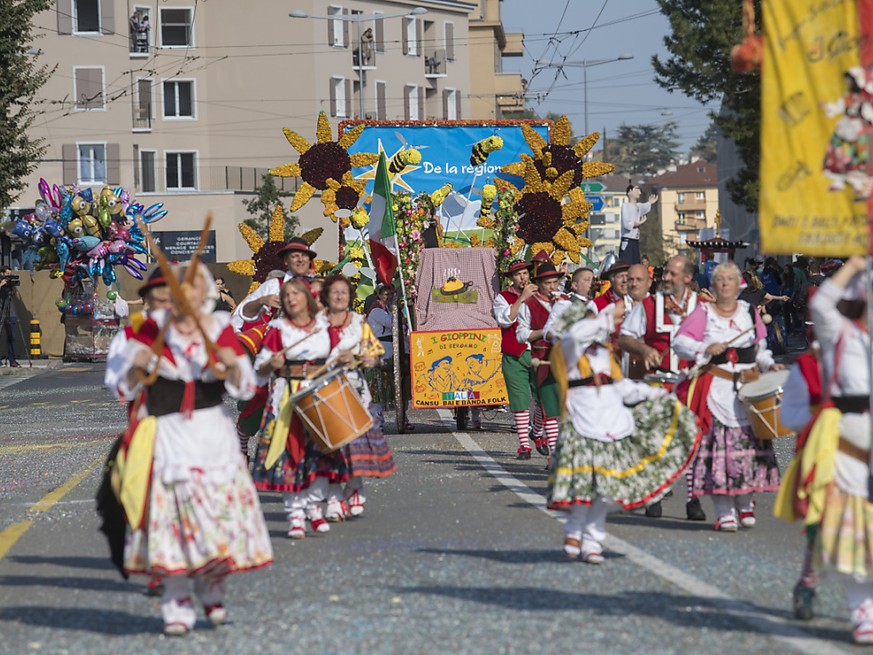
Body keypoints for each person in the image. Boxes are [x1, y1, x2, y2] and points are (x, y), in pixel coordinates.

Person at [105, 263, 272, 636]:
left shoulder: (217, 329)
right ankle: (176, 600)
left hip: (212, 435)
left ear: (203, 296)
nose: (181, 298)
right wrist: (138, 368)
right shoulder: (143, 332)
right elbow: (122, 387)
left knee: (214, 514)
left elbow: (245, 387)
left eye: (190, 291)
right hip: (167, 435)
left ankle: (212, 588)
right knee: (172, 516)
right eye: (173, 292)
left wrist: (231, 366)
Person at [546, 303, 699, 564]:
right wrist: (605, 318)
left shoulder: (604, 354)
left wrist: (656, 393)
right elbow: (574, 336)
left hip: (611, 422)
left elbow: (621, 387)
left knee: (604, 489)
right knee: (584, 485)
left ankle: (593, 541)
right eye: (589, 323)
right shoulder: (567, 351)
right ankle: (574, 529)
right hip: (583, 424)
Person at [783, 255, 873, 643]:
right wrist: (854, 265)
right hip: (849, 439)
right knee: (854, 531)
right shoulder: (840, 333)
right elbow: (820, 304)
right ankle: (862, 611)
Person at [672, 262, 782, 532]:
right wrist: (704, 346)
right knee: (719, 455)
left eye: (729, 280)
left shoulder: (748, 312)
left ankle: (745, 504)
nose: (724, 284)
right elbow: (680, 342)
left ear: (738, 285)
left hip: (747, 391)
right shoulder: (703, 312)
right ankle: (723, 512)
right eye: (719, 280)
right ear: (714, 285)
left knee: (747, 453)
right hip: (716, 391)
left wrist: (770, 366)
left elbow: (760, 348)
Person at [619, 255, 706, 521]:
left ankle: (694, 499)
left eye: (672, 274)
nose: (665, 278)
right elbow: (625, 337)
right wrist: (644, 348)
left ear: (688, 278)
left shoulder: (703, 307)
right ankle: (655, 496)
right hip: (658, 382)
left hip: (691, 382)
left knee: (693, 441)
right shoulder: (648, 305)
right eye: (665, 273)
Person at [250, 278, 335, 538]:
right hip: (288, 396)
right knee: (292, 454)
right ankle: (296, 514)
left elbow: (335, 359)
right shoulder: (278, 329)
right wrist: (270, 364)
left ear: (308, 298)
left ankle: (313, 506)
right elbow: (260, 368)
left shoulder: (323, 326)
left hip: (319, 393)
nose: (290, 299)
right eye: (286, 295)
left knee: (320, 455)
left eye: (296, 294)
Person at [321, 274, 394, 520]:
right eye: (334, 292)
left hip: (354, 391)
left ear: (350, 296)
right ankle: (333, 497)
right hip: (324, 391)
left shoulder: (359, 323)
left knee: (353, 447)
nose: (339, 296)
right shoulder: (316, 324)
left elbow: (374, 355)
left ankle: (353, 486)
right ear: (326, 296)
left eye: (344, 292)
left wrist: (358, 359)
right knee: (330, 449)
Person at [516, 260, 566, 460]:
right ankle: (554, 456)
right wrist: (545, 333)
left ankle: (536, 430)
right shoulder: (529, 305)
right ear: (539, 284)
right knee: (549, 407)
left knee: (554, 405)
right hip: (542, 359)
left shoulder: (565, 302)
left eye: (554, 282)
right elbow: (521, 335)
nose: (552, 287)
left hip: (564, 359)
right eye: (547, 284)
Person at [493, 261, 543, 459]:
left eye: (525, 273)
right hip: (514, 355)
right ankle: (524, 444)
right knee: (520, 401)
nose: (523, 277)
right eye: (518, 275)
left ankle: (537, 430)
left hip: (539, 353)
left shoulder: (540, 295)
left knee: (544, 399)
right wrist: (522, 298)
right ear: (511, 278)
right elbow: (505, 320)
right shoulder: (502, 298)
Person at [232, 237, 318, 331]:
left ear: (309, 260)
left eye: (304, 255)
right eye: (295, 256)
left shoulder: (320, 285)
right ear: (286, 260)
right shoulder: (273, 285)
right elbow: (240, 316)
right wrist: (260, 301)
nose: (300, 259)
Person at [619, 183, 657, 265]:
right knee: (626, 264)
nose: (639, 193)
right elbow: (626, 223)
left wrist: (650, 202)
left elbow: (645, 207)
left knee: (636, 264)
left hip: (635, 240)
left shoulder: (638, 206)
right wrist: (639, 223)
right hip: (628, 240)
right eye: (637, 190)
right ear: (630, 192)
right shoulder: (625, 206)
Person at [0, 266, 21, 368]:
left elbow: (18, 298)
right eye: (7, 274)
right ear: (2, 274)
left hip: (11, 313)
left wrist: (14, 288)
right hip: (1, 312)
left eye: (10, 274)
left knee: (12, 337)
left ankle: (12, 360)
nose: (9, 276)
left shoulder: (10, 285)